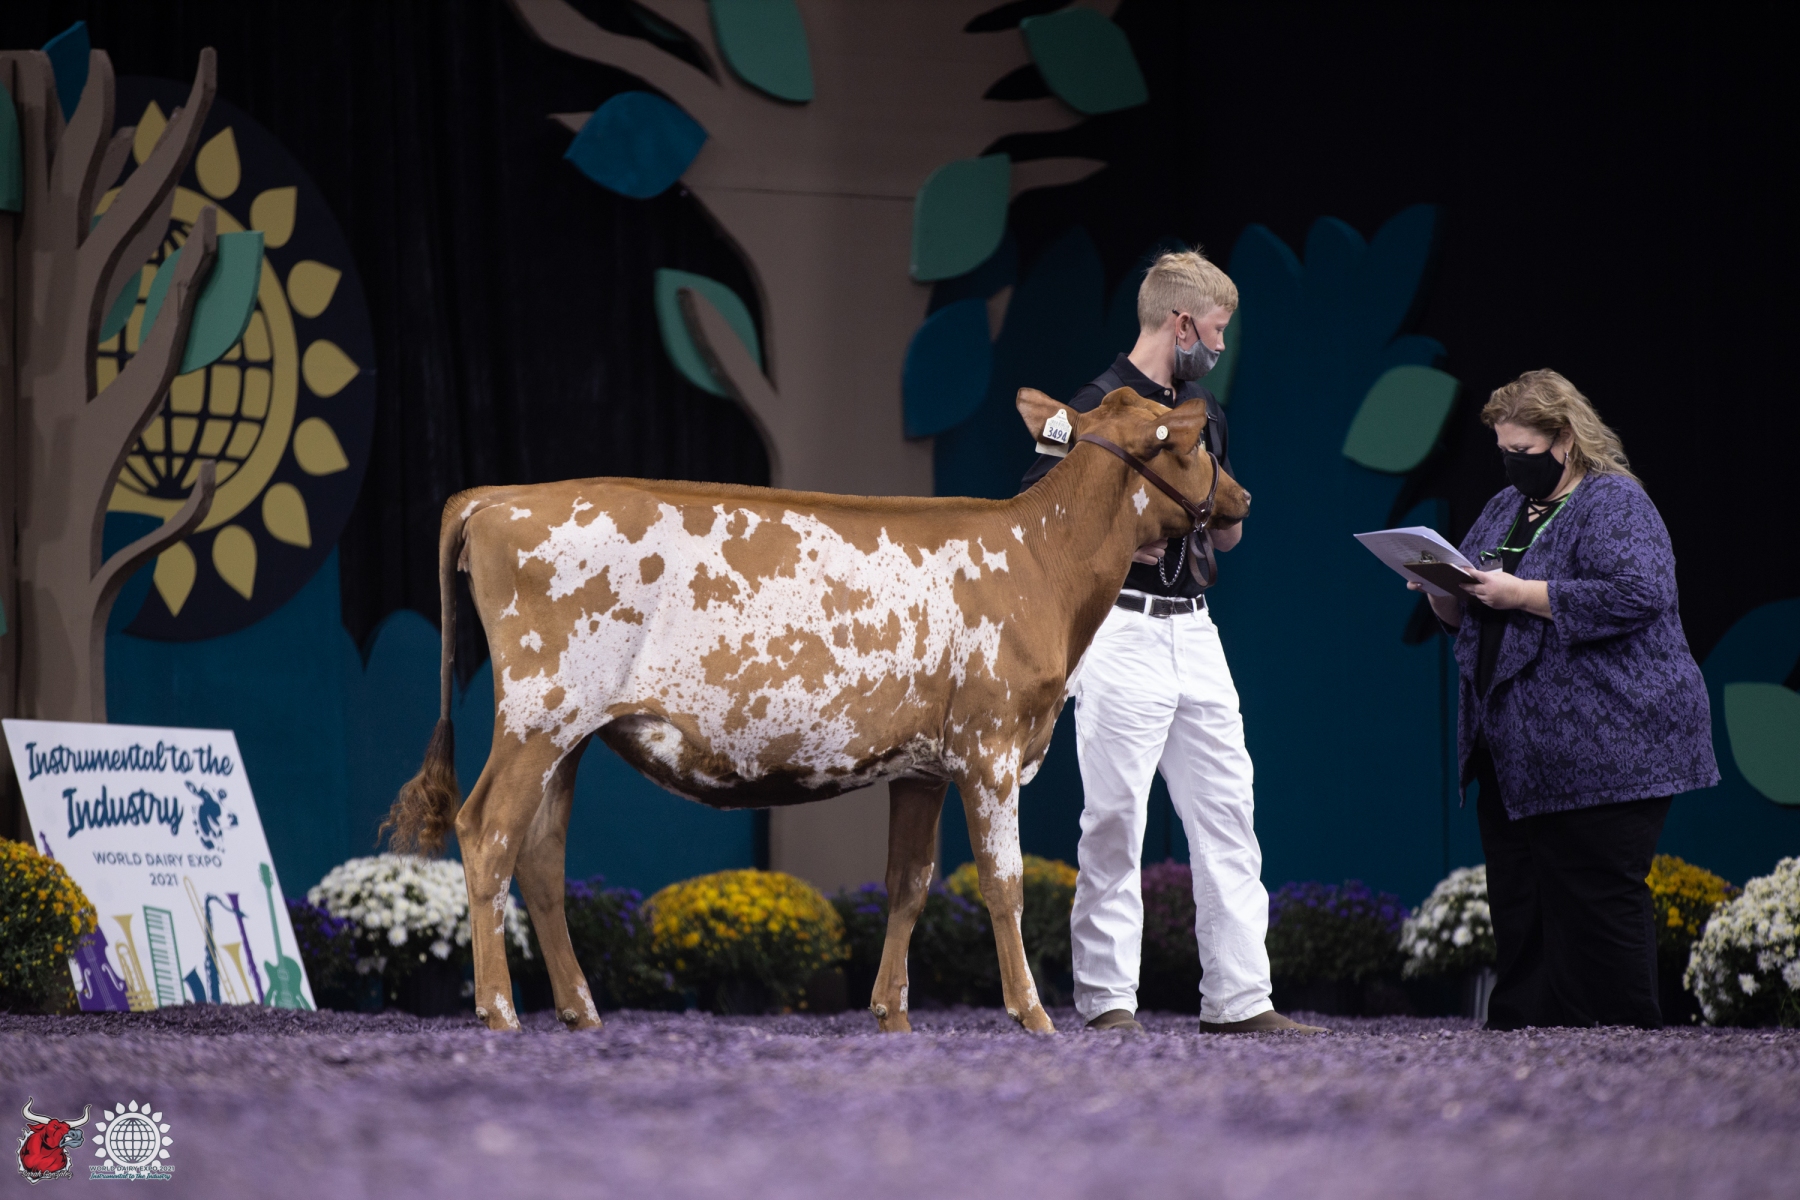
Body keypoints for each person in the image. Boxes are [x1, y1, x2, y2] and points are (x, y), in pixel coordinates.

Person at [1021, 249, 1320, 1035]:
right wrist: (1122, 530)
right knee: (1115, 819)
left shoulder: (1205, 409)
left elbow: (1230, 531)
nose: (1220, 346)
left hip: (1195, 628)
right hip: (1118, 629)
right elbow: (1034, 515)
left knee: (1228, 813)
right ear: (1181, 324)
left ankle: (1241, 1000)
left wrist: (1207, 513)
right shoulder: (1091, 406)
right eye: (1216, 331)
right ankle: (1108, 1003)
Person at [1410, 369, 1718, 1029]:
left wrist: (1521, 593)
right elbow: (1473, 613)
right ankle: (1527, 1050)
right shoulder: (1504, 508)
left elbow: (1639, 592)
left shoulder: (1614, 500)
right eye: (1503, 450)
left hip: (1609, 746)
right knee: (1521, 905)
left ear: (1567, 439)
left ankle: (1621, 1049)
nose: (1511, 463)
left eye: (1523, 450)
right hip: (1516, 754)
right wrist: (1441, 592)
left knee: (1595, 904)